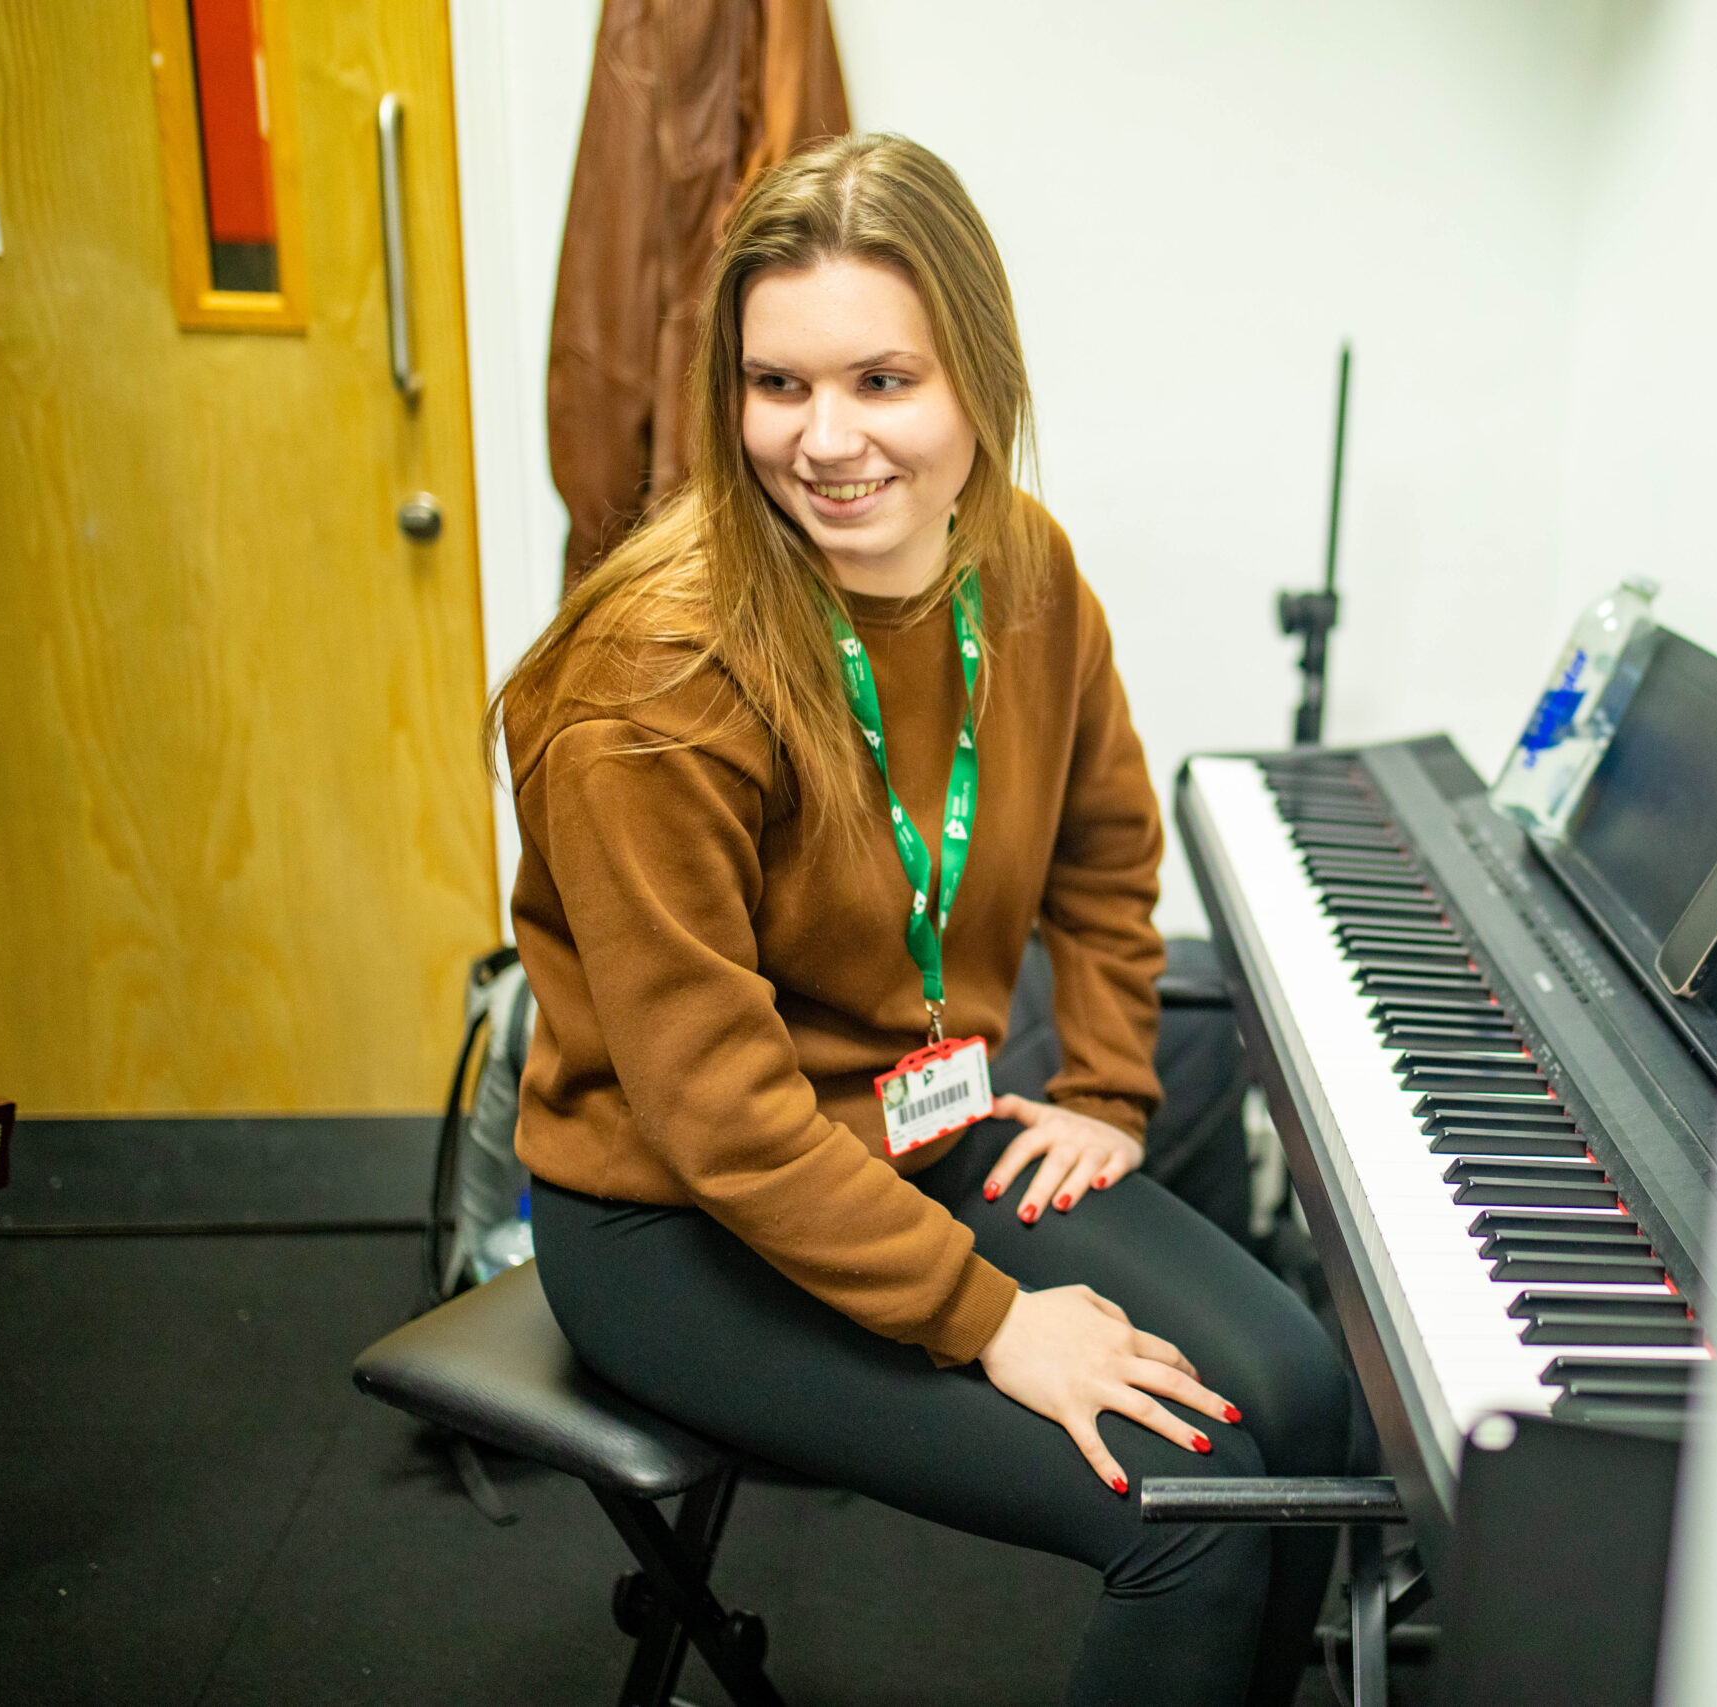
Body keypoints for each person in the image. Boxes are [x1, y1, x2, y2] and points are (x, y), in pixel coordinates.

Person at [492, 133, 1355, 1707]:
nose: (825, 441)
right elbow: (722, 1116)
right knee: (1195, 1515)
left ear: (979, 379)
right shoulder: (657, 681)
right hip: (675, 1214)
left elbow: (1106, 846)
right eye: (777, 386)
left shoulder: (1023, 571)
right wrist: (991, 1322)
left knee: (1303, 1397)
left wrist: (1102, 1085)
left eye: (882, 381)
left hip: (911, 1126)